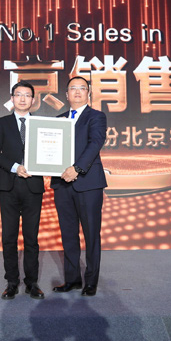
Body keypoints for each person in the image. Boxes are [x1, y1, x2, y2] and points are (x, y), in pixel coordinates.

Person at [0, 81, 45, 300]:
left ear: (33, 100)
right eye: (18, 94)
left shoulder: (41, 124)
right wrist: (14, 167)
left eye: (27, 95)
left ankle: (32, 282)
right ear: (12, 98)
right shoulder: (2, 123)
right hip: (9, 186)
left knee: (31, 238)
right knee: (9, 237)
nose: (22, 99)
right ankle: (11, 282)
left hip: (33, 186)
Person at [51, 76, 107, 296]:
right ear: (66, 95)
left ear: (88, 93)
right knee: (68, 234)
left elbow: (95, 143)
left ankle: (91, 281)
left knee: (91, 234)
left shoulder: (96, 117)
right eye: (72, 88)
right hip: (62, 184)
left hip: (88, 183)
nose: (77, 92)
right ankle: (72, 279)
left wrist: (77, 168)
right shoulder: (58, 120)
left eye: (82, 88)